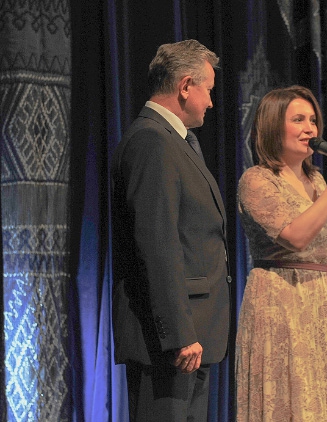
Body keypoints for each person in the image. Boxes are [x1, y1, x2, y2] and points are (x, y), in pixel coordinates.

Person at [110, 39, 231, 422]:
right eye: (208, 90)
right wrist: (179, 333)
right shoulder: (151, 141)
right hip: (169, 343)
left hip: (192, 336)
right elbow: (157, 243)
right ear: (185, 86)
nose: (210, 102)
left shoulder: (173, 141)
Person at [235, 85, 327, 421]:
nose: (310, 129)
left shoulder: (318, 180)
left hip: (324, 302)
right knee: (292, 399)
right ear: (273, 126)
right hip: (281, 299)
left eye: (313, 120)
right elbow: (296, 238)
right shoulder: (257, 181)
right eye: (298, 120)